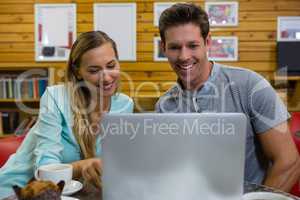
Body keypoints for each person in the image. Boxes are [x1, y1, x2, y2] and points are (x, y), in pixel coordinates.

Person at [155, 3, 300, 192]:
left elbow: (288, 162)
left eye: (192, 45)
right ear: (164, 47)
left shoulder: (251, 86)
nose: (184, 56)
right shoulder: (164, 107)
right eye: (174, 47)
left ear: (207, 42)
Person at [0, 31, 134, 198]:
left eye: (111, 65)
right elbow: (44, 171)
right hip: (20, 190)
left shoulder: (125, 105)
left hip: (74, 193)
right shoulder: (55, 98)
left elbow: (115, 162)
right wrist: (83, 166)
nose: (106, 78)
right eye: (94, 70)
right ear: (78, 72)